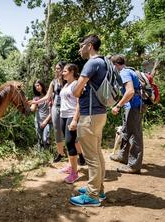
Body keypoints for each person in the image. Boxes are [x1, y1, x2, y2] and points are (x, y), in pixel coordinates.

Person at [71, 34, 107, 207]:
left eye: (81, 45)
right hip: (100, 114)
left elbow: (76, 92)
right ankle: (98, 189)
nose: (80, 48)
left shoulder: (92, 63)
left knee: (91, 156)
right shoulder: (105, 62)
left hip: (90, 115)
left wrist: (79, 87)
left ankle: (92, 196)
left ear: (90, 45)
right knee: (97, 153)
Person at [30, 62, 85, 165]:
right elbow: (47, 96)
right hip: (56, 107)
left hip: (68, 108)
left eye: (59, 69)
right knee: (57, 131)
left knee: (71, 134)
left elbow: (77, 97)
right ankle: (60, 153)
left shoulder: (68, 81)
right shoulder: (54, 82)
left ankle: (80, 154)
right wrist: (35, 102)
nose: (56, 71)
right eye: (56, 69)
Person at [110, 55, 143, 174]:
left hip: (134, 107)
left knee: (135, 136)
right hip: (130, 106)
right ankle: (123, 156)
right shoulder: (129, 71)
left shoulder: (124, 73)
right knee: (126, 132)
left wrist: (118, 106)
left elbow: (130, 91)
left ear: (115, 65)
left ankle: (134, 165)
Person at [58, 63, 80, 183]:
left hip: (72, 116)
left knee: (69, 142)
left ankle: (74, 173)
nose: (62, 73)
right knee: (67, 143)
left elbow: (78, 103)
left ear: (72, 72)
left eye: (65, 71)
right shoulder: (66, 84)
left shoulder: (76, 84)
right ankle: (70, 166)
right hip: (63, 115)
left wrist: (75, 120)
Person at [30, 79, 52, 150]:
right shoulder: (36, 98)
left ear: (42, 85)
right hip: (38, 121)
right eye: (35, 86)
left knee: (46, 139)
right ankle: (41, 155)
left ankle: (48, 153)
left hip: (48, 121)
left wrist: (46, 121)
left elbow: (52, 110)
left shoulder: (49, 96)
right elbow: (32, 109)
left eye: (38, 85)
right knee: (39, 140)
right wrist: (27, 105)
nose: (37, 87)